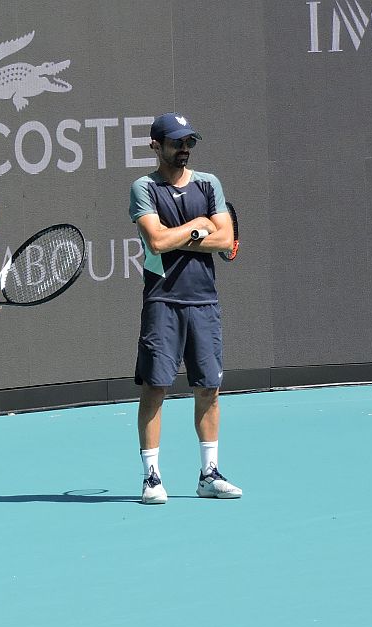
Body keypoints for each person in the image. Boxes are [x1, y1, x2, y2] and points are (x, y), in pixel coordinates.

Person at [128, 111, 243, 505]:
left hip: (204, 301)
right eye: (176, 143)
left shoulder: (209, 183)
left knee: (209, 388)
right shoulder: (143, 187)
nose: (184, 149)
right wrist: (199, 224)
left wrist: (190, 234)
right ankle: (151, 478)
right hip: (162, 300)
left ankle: (209, 474)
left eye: (189, 142)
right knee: (155, 388)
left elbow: (226, 239)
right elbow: (157, 242)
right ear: (156, 146)